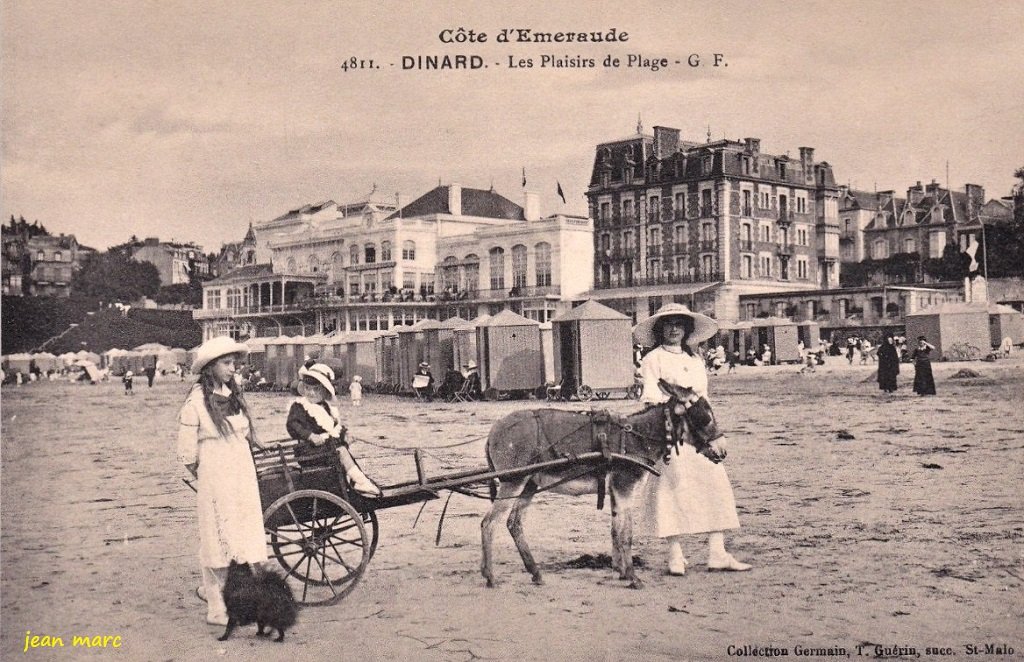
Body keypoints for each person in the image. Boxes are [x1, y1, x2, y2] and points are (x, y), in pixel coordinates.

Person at [633, 303, 750, 575]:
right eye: (668, 324)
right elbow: (651, 398)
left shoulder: (694, 361)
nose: (674, 328)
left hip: (697, 433)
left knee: (715, 484)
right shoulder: (653, 359)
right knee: (672, 489)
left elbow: (703, 399)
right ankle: (675, 555)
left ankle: (717, 552)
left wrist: (708, 428)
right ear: (660, 329)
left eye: (679, 324)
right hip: (670, 433)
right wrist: (676, 406)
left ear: (687, 329)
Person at [176, 336, 270, 626]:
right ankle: (216, 607)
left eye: (235, 363)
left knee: (242, 531)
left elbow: (244, 433)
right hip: (216, 473)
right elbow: (187, 452)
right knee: (216, 534)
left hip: (241, 471)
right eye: (227, 364)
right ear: (211, 367)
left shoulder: (233, 396)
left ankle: (237, 595)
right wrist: (206, 477)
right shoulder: (195, 403)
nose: (233, 369)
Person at [286, 363, 381, 497]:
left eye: (316, 389)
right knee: (341, 451)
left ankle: (356, 481)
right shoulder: (300, 406)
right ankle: (360, 481)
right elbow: (292, 424)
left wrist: (345, 434)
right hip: (309, 451)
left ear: (324, 391)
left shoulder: (326, 407)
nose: (311, 393)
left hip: (324, 449)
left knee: (343, 449)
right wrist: (309, 435)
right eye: (307, 389)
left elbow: (333, 428)